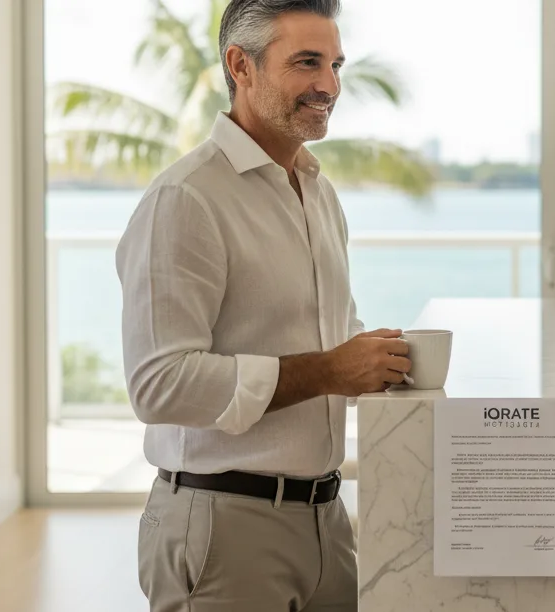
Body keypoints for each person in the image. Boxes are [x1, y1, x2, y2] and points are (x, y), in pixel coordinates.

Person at [115, 1, 412, 610]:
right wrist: (331, 370)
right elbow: (159, 384)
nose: (328, 85)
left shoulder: (317, 190)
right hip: (226, 528)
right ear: (239, 66)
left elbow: (333, 333)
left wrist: (380, 364)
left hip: (327, 522)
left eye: (335, 65)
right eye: (307, 63)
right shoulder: (186, 198)